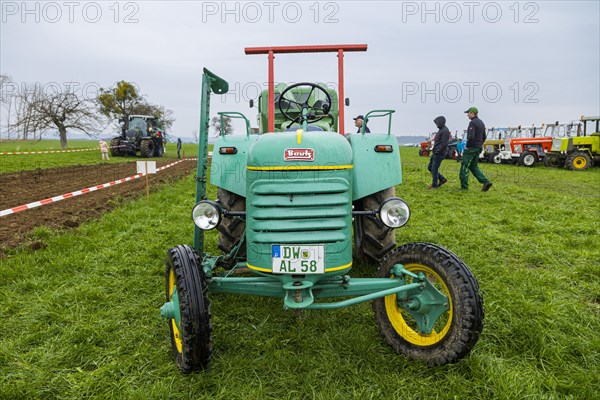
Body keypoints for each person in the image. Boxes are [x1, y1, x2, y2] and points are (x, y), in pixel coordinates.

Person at [460, 107, 492, 191]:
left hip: (471, 148)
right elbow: (484, 137)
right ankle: (486, 182)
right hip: (478, 148)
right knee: (473, 166)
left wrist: (467, 146)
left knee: (464, 166)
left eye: (468, 113)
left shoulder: (472, 123)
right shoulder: (481, 123)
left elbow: (471, 136)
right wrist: (479, 144)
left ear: (472, 113)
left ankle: (464, 187)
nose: (467, 115)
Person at [427, 116, 450, 189]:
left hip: (439, 153)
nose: (436, 124)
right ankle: (442, 179)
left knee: (434, 169)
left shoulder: (445, 131)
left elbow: (444, 143)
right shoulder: (441, 130)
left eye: (437, 123)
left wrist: (437, 151)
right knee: (430, 167)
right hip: (436, 152)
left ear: (441, 122)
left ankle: (434, 185)